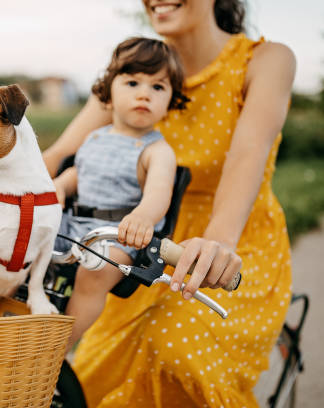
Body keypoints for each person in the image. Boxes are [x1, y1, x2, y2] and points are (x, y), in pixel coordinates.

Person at [43, 0, 296, 406]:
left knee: (174, 353)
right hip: (141, 247)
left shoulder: (266, 60)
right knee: (87, 384)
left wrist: (217, 242)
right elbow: (59, 156)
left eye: (157, 88)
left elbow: (248, 153)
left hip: (230, 242)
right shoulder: (138, 64)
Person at [52, 37, 189, 349]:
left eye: (158, 87)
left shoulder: (157, 150)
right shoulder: (96, 137)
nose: (144, 93)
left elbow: (158, 192)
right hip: (74, 223)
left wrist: (142, 217)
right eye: (132, 82)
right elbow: (80, 174)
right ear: (109, 93)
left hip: (118, 234)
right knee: (24, 238)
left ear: (170, 100)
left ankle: (57, 347)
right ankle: (2, 316)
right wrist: (61, 185)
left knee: (95, 270)